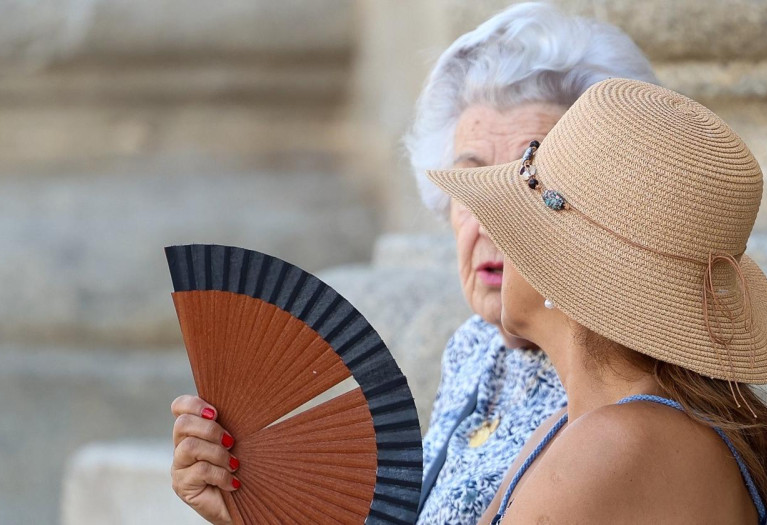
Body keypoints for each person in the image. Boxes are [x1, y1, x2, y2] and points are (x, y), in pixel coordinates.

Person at [169, 4, 658, 524]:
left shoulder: (615, 396)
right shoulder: (474, 349)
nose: (489, 225)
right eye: (469, 184)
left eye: (525, 184)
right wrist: (250, 509)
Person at [426, 78, 767, 524]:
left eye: (515, 222)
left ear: (565, 271)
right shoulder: (571, 430)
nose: (493, 236)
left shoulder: (614, 445)